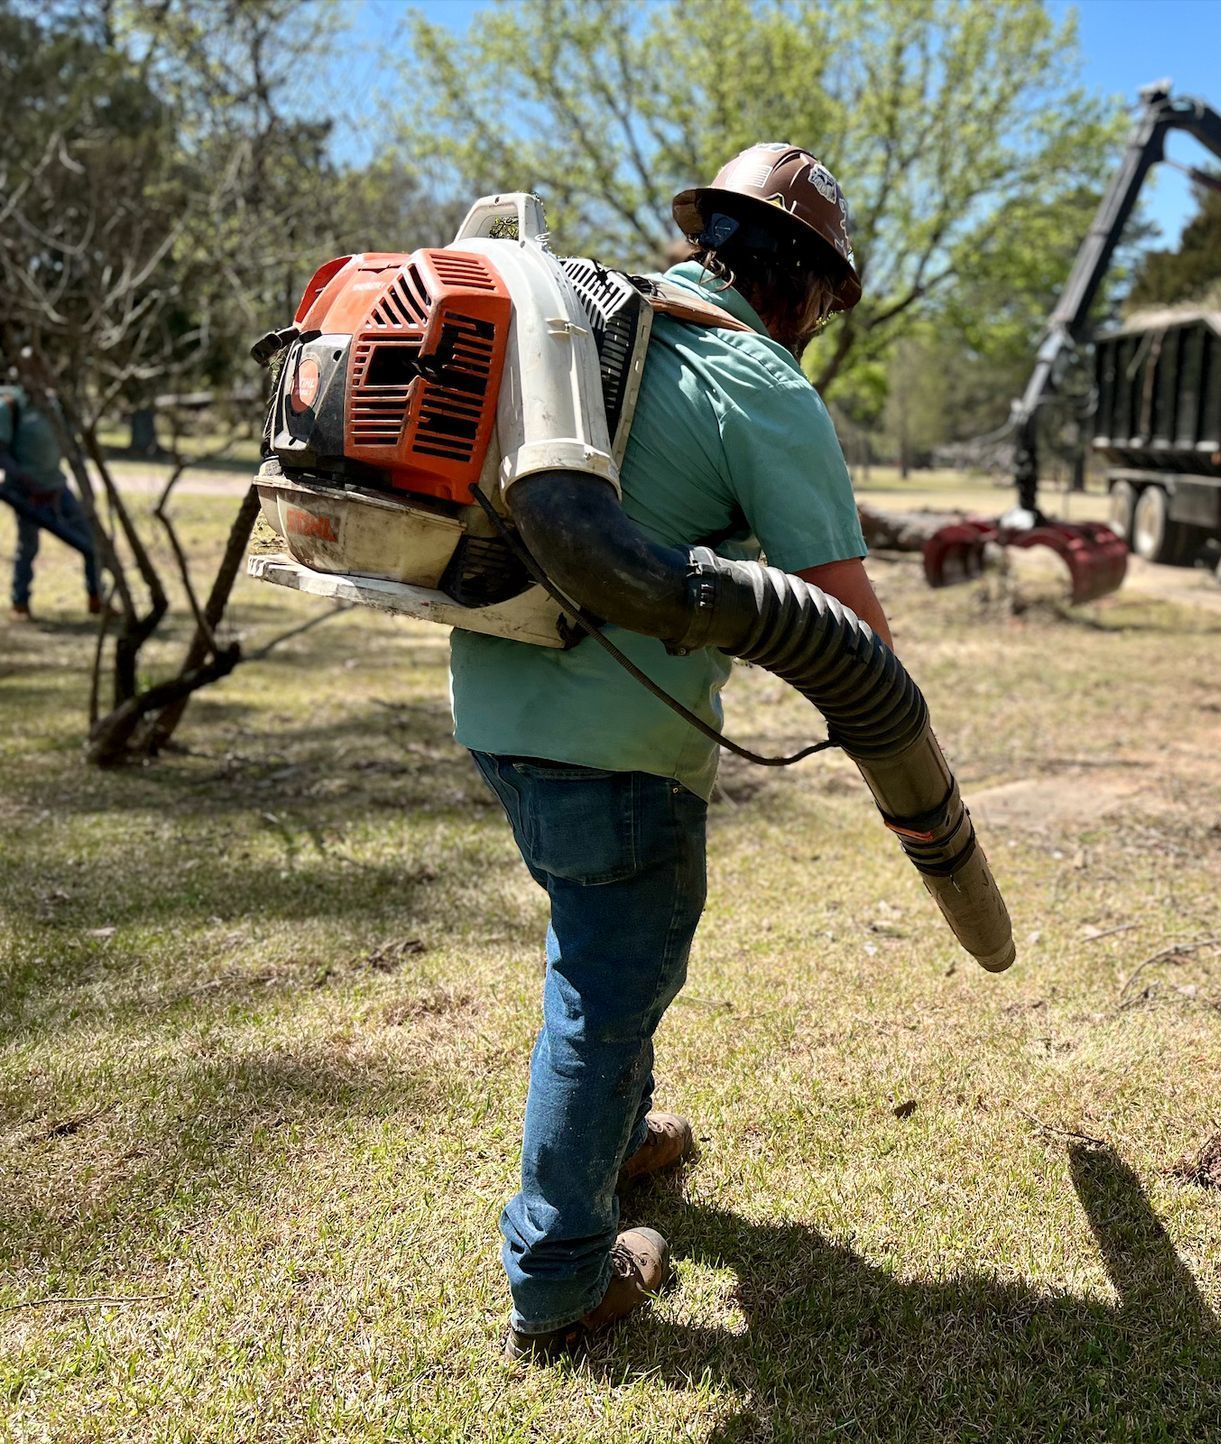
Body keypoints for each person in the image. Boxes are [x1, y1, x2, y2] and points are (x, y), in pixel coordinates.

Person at [449, 144, 892, 1360]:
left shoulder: (589, 337)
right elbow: (856, 635)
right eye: (823, 299)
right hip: (620, 743)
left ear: (708, 242)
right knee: (610, 977)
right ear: (800, 284)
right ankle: (560, 1278)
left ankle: (624, 1135)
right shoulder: (759, 381)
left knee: (597, 934)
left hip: (495, 706)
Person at [0, 383, 107, 622]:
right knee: (28, 547)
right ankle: (20, 602)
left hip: (57, 486)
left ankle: (98, 598)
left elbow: (69, 441)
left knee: (91, 542)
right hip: (25, 493)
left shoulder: (54, 405)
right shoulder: (11, 407)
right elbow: (1, 452)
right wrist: (23, 479)